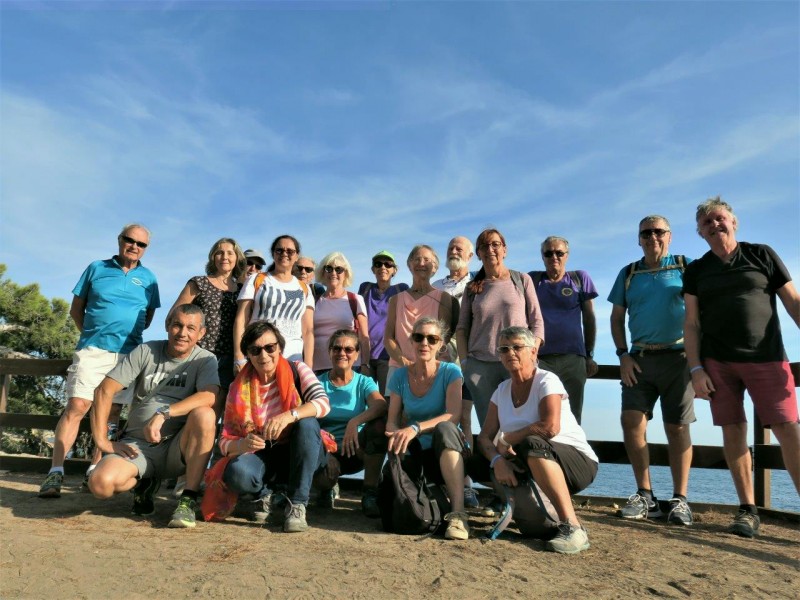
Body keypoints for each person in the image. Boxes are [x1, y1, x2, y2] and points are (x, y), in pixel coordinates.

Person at [683, 197, 800, 538]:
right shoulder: (697, 270)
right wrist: (695, 369)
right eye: (706, 222)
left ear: (733, 222)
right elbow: (691, 323)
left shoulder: (761, 254)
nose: (714, 225)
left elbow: (792, 300)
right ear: (700, 232)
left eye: (719, 218)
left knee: (788, 429)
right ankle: (748, 510)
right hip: (717, 362)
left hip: (767, 357)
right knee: (732, 431)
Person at [39, 224, 160, 498]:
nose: (134, 246)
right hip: (93, 350)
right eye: (130, 240)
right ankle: (55, 472)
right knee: (77, 406)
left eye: (141, 244)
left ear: (146, 248)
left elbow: (147, 317)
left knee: (111, 413)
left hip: (128, 355)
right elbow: (76, 309)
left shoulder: (149, 279)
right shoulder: (96, 268)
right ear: (120, 240)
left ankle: (94, 469)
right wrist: (92, 335)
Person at [86, 304, 219, 528]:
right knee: (100, 485)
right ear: (167, 325)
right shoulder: (146, 351)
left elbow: (209, 395)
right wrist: (102, 441)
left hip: (177, 448)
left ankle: (187, 500)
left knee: (205, 414)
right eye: (177, 325)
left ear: (201, 333)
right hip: (137, 446)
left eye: (190, 328)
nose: (182, 333)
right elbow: (104, 390)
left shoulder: (205, 359)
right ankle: (144, 483)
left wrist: (164, 413)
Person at [477, 326, 598, 554]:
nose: (510, 353)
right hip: (531, 462)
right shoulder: (501, 390)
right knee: (474, 459)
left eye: (517, 347)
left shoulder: (547, 381)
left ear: (533, 351)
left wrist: (507, 439)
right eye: (504, 349)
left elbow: (550, 428)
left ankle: (573, 527)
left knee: (532, 443)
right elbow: (484, 437)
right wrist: (497, 461)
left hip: (576, 463)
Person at [608, 215, 695, 526]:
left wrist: (700, 360)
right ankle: (646, 496)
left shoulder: (686, 266)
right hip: (640, 358)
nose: (652, 237)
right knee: (631, 421)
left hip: (679, 357)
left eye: (659, 231)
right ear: (638, 238)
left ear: (669, 236)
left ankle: (680, 500)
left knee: (677, 427)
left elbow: (703, 310)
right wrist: (622, 355)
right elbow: (616, 318)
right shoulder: (629, 273)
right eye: (646, 232)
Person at [455, 228, 544, 517]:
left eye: (496, 244)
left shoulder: (521, 280)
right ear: (478, 253)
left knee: (521, 425)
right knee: (490, 432)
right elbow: (462, 328)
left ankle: (530, 491)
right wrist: (466, 363)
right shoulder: (473, 288)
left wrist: (532, 353)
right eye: (484, 246)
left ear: (504, 249)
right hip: (481, 367)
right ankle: (500, 493)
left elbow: (536, 322)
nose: (490, 249)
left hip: (518, 364)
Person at [215, 320, 330, 532]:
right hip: (263, 453)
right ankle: (264, 495)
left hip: (300, 449)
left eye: (270, 347)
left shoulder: (298, 369)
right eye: (255, 350)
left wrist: (289, 416)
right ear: (248, 355)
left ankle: (297, 504)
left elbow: (323, 403)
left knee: (307, 424)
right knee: (237, 472)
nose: (264, 355)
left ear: (280, 348)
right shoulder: (236, 387)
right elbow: (224, 441)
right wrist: (242, 444)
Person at [386, 317, 469, 540]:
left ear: (441, 344)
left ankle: (459, 515)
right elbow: (392, 421)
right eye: (419, 337)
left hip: (446, 450)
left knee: (445, 428)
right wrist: (395, 433)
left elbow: (454, 414)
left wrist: (415, 428)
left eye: (432, 339)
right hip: (416, 453)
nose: (425, 343)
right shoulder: (399, 376)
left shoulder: (451, 372)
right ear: (411, 341)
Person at [316, 329, 388, 516]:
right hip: (326, 452)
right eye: (337, 348)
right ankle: (327, 488)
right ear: (330, 352)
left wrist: (354, 422)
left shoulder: (364, 382)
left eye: (348, 349)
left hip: (357, 450)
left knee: (379, 425)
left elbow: (381, 405)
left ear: (356, 355)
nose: (342, 353)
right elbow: (307, 420)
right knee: (323, 479)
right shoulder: (317, 383)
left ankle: (370, 492)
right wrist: (325, 449)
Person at [529, 236, 599, 423]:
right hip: (540, 360)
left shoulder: (579, 278)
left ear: (567, 255)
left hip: (573, 359)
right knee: (539, 415)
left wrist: (589, 355)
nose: (554, 257)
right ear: (542, 257)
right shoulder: (533, 280)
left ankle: (571, 444)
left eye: (559, 253)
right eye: (548, 253)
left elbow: (590, 319)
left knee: (572, 416)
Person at [432, 236, 479, 509]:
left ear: (470, 255)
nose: (454, 251)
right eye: (451, 247)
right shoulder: (436, 286)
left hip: (469, 362)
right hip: (439, 364)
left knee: (466, 420)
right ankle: (442, 480)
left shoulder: (478, 283)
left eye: (460, 248)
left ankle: (467, 483)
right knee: (441, 417)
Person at [169, 238, 245, 395]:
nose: (225, 257)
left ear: (237, 258)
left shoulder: (242, 290)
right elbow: (173, 315)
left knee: (218, 403)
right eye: (220, 253)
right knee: (190, 400)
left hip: (229, 358)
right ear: (213, 257)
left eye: (230, 253)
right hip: (198, 354)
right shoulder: (199, 283)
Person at [233, 235, 314, 369]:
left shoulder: (304, 288)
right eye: (279, 250)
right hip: (258, 355)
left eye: (290, 251)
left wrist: (308, 364)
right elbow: (241, 318)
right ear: (273, 253)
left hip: (292, 359)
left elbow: (307, 330)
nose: (284, 254)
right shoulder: (256, 279)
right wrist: (239, 357)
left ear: (296, 256)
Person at [384, 245, 455, 386]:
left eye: (427, 260)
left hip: (433, 370)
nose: (421, 263)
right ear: (409, 265)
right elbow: (388, 338)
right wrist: (405, 363)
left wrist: (425, 366)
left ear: (435, 268)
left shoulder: (444, 298)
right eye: (417, 259)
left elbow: (444, 338)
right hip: (399, 368)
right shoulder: (395, 300)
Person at [358, 250, 409, 395]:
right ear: (373, 269)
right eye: (378, 264)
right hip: (365, 356)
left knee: (387, 399)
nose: (383, 267)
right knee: (364, 399)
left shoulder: (401, 290)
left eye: (388, 264)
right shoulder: (365, 288)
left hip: (388, 356)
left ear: (394, 270)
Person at [311, 252, 370, 375]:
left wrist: (365, 364)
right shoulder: (313, 301)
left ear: (346, 274)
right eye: (329, 268)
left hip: (349, 367)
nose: (333, 273)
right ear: (323, 272)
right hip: (317, 368)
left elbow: (364, 337)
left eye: (338, 269)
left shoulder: (355, 300)